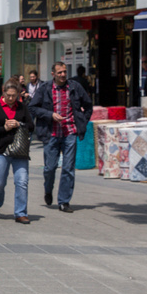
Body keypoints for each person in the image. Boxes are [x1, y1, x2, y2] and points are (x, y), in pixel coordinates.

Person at [29, 61, 93, 213]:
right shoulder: (45, 88)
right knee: (50, 168)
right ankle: (48, 189)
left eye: (64, 72)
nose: (63, 75)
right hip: (51, 134)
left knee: (68, 168)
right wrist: (50, 115)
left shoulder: (75, 87)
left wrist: (82, 122)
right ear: (53, 74)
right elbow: (32, 107)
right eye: (60, 73)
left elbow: (88, 105)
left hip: (70, 132)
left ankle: (64, 201)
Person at [0, 79, 33, 224]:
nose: (11, 98)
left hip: (20, 150)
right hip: (0, 149)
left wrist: (19, 124)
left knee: (22, 181)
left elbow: (31, 126)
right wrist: (1, 128)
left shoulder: (22, 107)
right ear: (3, 92)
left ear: (18, 94)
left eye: (14, 95)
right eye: (8, 95)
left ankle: (20, 213)